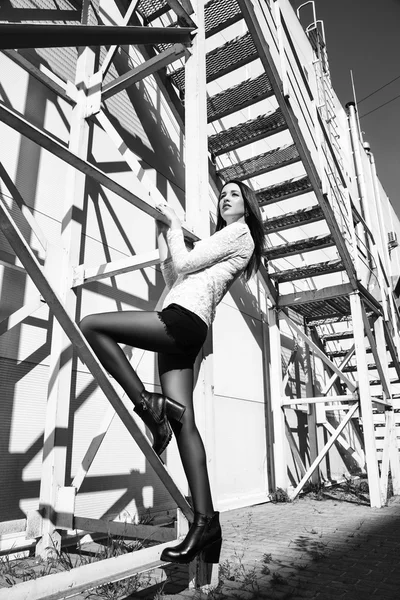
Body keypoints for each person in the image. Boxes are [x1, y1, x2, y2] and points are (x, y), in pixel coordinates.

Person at [80, 179, 264, 564]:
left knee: (93, 325)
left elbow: (185, 263)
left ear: (246, 205)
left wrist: (175, 223)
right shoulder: (221, 241)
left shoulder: (239, 234)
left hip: (183, 320)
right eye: (222, 193)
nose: (224, 197)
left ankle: (150, 405)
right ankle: (207, 524)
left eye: (233, 194)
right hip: (182, 315)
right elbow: (175, 276)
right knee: (186, 425)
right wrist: (167, 236)